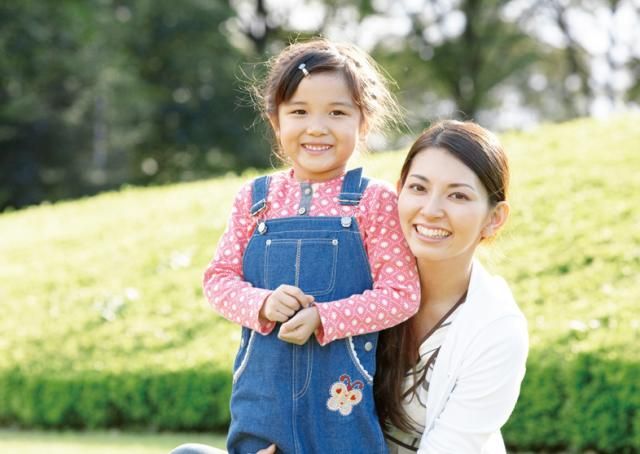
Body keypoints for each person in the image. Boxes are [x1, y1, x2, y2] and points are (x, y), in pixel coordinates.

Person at [173, 39, 420, 454]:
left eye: (337, 113)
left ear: (364, 121)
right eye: (299, 112)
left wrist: (324, 317)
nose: (317, 127)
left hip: (340, 404)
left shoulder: (374, 202)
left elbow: (401, 295)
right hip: (263, 400)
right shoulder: (255, 200)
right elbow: (218, 280)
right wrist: (264, 304)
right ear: (276, 120)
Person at [374, 120, 529, 453]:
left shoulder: (497, 329)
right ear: (398, 190)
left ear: (495, 217)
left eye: (458, 195)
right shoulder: (358, 280)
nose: (431, 211)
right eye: (418, 188)